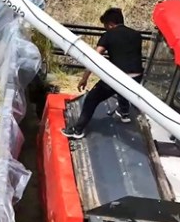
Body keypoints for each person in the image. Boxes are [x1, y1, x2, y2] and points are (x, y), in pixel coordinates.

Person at [62, 8, 144, 140]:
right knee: (125, 88)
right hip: (137, 76)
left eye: (105, 26)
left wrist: (84, 78)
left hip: (118, 78)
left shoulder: (108, 35)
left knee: (92, 99)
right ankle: (124, 112)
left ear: (110, 24)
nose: (105, 28)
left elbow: (94, 57)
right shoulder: (136, 35)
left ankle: (77, 130)